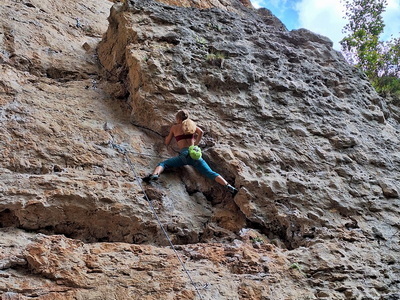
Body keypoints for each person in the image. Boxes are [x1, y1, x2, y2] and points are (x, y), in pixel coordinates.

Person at [143, 110, 238, 195]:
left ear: (178, 119)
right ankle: (228, 186)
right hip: (195, 154)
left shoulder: (174, 128)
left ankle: (155, 174)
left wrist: (167, 138)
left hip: (184, 155)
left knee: (163, 164)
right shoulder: (191, 125)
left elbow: (167, 142)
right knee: (210, 172)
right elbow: (201, 132)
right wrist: (196, 144)